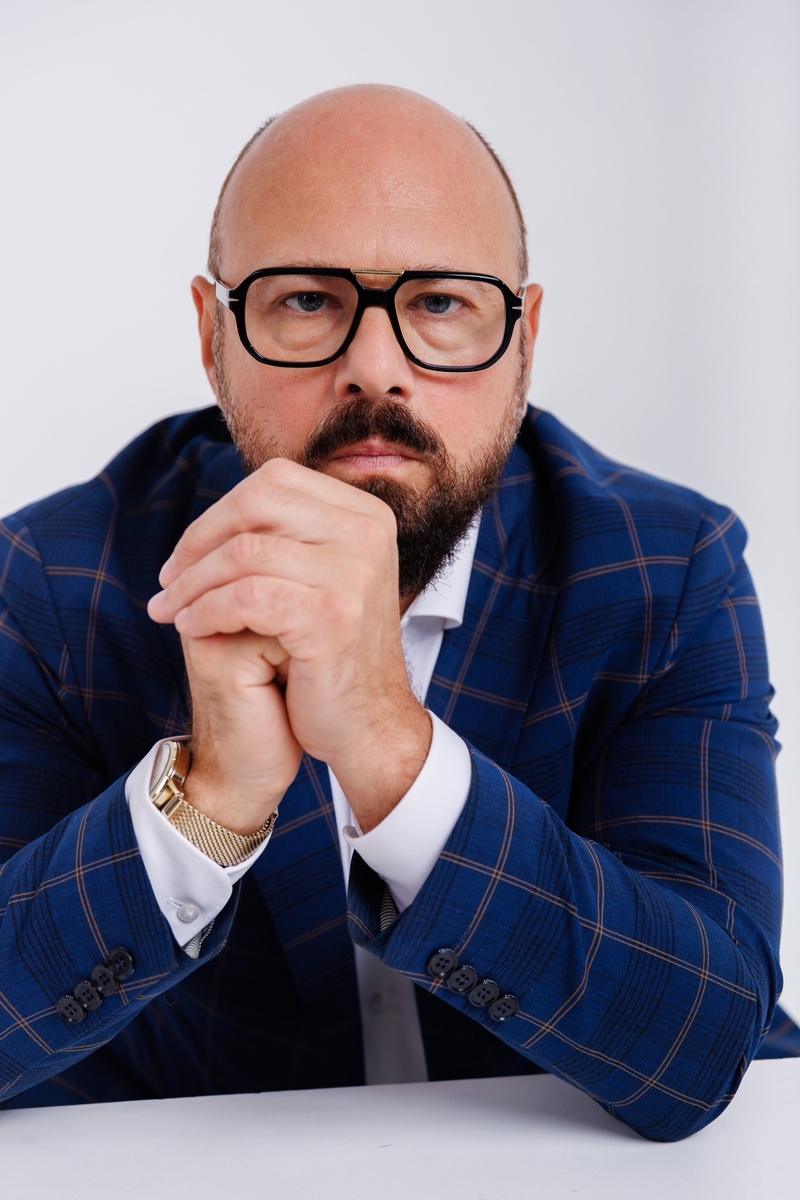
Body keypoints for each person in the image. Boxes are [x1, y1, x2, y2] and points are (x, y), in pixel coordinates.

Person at [0, 84, 795, 1139]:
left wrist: (391, 751)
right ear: (212, 333)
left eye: (441, 304)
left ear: (523, 339)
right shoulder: (46, 583)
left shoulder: (668, 569)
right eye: (305, 301)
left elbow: (706, 1040)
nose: (374, 369)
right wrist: (209, 803)